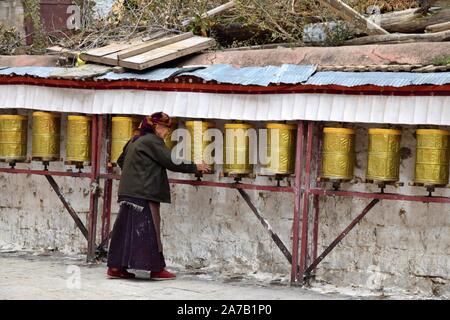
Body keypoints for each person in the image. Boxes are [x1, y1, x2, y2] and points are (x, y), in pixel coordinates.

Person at [106, 112, 211, 280]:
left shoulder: (135, 139)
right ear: (156, 127)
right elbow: (170, 161)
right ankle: (156, 269)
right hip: (144, 193)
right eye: (165, 128)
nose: (167, 132)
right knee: (150, 230)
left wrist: (139, 170)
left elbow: (121, 160)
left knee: (125, 230)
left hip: (128, 191)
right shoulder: (152, 141)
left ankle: (115, 267)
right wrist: (195, 166)